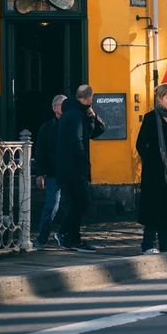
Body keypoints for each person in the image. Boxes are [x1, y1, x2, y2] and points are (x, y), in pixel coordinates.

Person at [55, 85, 105, 252]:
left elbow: (96, 132)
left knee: (77, 203)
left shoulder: (75, 112)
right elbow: (77, 141)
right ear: (89, 97)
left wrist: (92, 116)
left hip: (68, 167)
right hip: (74, 168)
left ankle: (74, 239)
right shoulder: (76, 115)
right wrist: (83, 160)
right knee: (82, 202)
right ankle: (63, 232)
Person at [136, 84, 167, 254]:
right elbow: (140, 144)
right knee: (153, 210)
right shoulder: (151, 118)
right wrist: (152, 161)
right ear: (159, 99)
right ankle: (148, 245)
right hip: (154, 174)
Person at [33, 94, 67, 250]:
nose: (64, 107)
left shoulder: (73, 124)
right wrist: (40, 173)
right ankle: (41, 238)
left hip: (71, 172)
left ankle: (66, 236)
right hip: (53, 173)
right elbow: (40, 152)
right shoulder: (46, 128)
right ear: (54, 108)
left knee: (74, 205)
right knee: (51, 206)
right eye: (61, 104)